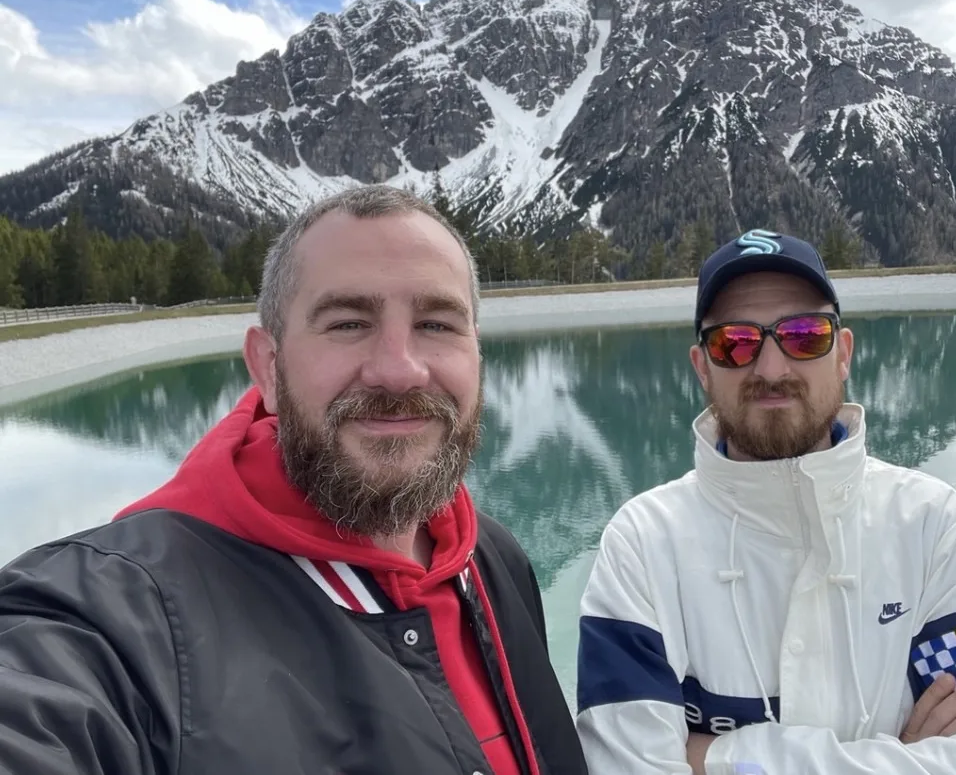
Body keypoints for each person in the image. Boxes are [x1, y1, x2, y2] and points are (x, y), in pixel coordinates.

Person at [0, 186, 589, 775]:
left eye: (436, 324)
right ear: (268, 367)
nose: (399, 370)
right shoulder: (119, 616)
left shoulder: (492, 559)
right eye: (348, 323)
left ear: (477, 354)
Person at [575, 228, 956, 774]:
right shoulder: (643, 545)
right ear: (703, 367)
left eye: (804, 335)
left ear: (843, 353)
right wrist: (906, 756)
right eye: (735, 343)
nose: (771, 369)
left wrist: (716, 757)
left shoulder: (933, 527)